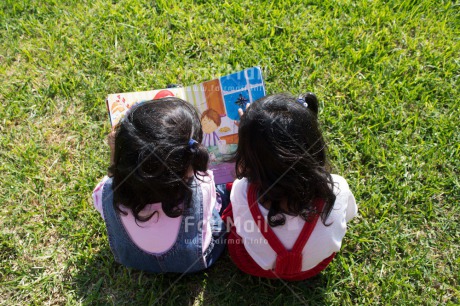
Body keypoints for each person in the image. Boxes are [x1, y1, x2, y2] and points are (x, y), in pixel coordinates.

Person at [222, 93, 358, 280]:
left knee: (230, 210)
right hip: (314, 266)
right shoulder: (338, 187)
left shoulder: (242, 190)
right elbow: (349, 214)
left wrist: (249, 135)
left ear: (251, 161)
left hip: (253, 265)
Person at [93, 98, 227, 273]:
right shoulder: (202, 184)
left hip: (133, 260)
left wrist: (113, 153)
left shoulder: (106, 192)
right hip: (195, 262)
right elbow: (207, 208)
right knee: (221, 191)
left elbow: (112, 178)